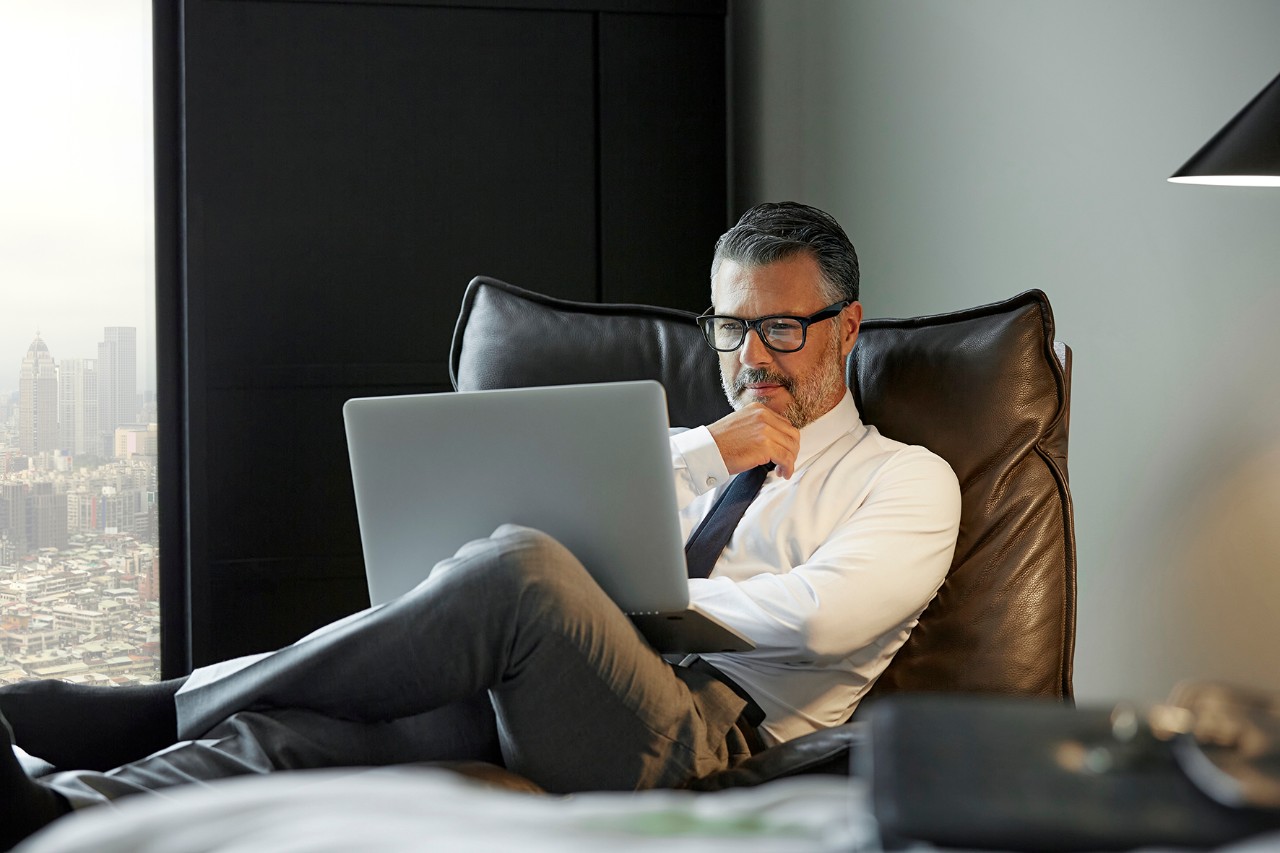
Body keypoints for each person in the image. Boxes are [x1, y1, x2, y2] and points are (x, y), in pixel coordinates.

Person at [0, 202, 960, 849]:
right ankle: (57, 807)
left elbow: (825, 619)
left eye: (782, 329)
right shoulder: (676, 447)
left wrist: (634, 600)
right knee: (304, 724)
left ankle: (161, 705)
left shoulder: (906, 482)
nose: (753, 358)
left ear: (846, 326)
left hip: (698, 740)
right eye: (729, 328)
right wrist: (711, 448)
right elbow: (549, 527)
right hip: (542, 689)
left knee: (529, 571)